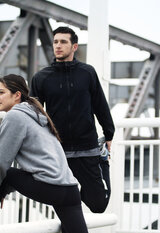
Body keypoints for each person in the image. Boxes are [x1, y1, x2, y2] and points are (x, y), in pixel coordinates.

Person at [0, 74, 95, 233]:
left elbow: (0, 161)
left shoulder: (15, 117)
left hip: (52, 187)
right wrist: (1, 190)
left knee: (6, 174)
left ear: (17, 95)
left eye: (1, 92)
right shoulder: (38, 116)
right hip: (70, 190)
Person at [30, 26, 115, 215]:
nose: (58, 46)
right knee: (66, 207)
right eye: (55, 42)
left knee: (98, 204)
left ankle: (101, 164)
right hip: (58, 151)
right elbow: (33, 114)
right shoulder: (41, 77)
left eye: (63, 42)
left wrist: (109, 133)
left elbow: (100, 104)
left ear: (74, 46)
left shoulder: (87, 73)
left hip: (88, 148)